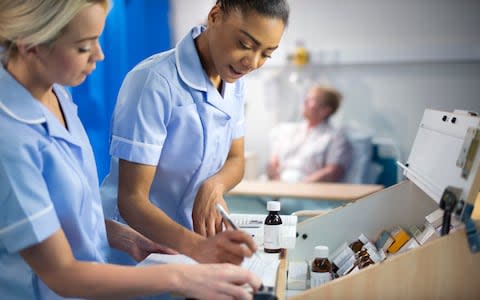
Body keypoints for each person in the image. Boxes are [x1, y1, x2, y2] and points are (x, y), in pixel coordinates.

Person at [0, 1, 260, 299]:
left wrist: (119, 235)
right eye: (84, 47)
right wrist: (181, 275)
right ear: (30, 45)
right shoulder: (9, 138)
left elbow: (66, 212)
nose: (99, 54)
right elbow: (61, 272)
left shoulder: (53, 91)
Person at [100, 0, 290, 263]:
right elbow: (132, 200)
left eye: (266, 54)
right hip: (137, 242)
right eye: (244, 44)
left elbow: (236, 160)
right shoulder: (154, 81)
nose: (252, 62)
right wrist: (200, 248)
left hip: (188, 243)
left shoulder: (233, 81)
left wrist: (214, 186)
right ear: (215, 16)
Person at [266, 84, 353, 214]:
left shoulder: (334, 137)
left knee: (286, 204)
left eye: (311, 100)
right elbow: (273, 162)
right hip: (279, 187)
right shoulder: (289, 131)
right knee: (246, 199)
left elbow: (332, 172)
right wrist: (278, 182)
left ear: (325, 110)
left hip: (308, 190)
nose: (305, 102)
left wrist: (299, 187)